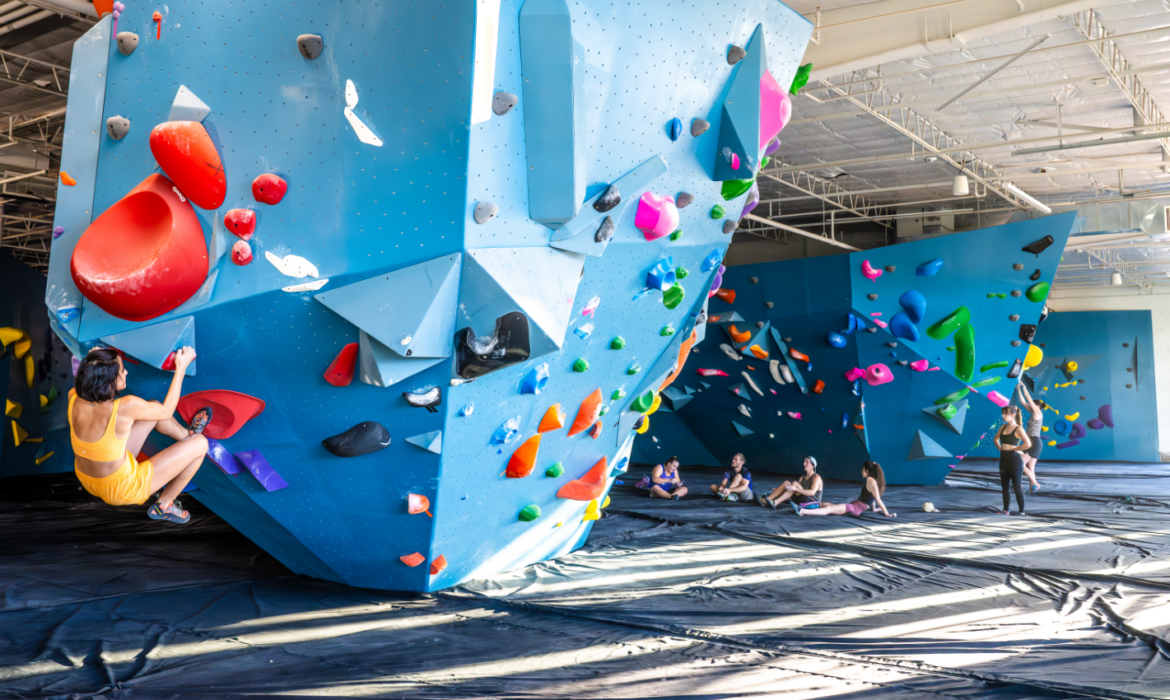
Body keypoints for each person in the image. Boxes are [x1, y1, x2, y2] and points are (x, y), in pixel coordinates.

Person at [69, 347, 211, 524]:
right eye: (122, 370)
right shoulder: (126, 406)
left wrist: (97, 359)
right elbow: (166, 412)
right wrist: (181, 367)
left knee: (152, 406)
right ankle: (165, 505)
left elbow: (93, 373)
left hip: (88, 478)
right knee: (201, 443)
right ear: (111, 381)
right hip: (123, 488)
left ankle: (186, 436)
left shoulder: (74, 395)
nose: (126, 371)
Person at [798, 461, 896, 518]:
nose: (861, 471)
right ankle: (805, 506)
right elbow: (872, 496)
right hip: (853, 506)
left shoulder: (870, 480)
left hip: (853, 509)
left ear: (867, 471)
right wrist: (874, 509)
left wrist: (887, 513)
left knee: (829, 509)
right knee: (826, 504)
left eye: (862, 469)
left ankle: (803, 511)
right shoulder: (872, 481)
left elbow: (877, 498)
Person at [993, 405, 1031, 516]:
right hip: (1004, 459)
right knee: (1005, 486)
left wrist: (1016, 449)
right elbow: (996, 439)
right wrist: (1001, 449)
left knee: (1016, 486)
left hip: (1015, 460)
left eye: (1005, 414)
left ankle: (1021, 511)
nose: (1003, 416)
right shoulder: (1003, 427)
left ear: (1013, 415)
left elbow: (1028, 443)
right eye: (1003, 413)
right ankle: (1006, 510)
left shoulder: (1018, 428)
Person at [757, 456, 822, 512]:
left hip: (812, 502)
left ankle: (775, 502)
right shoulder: (802, 478)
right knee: (787, 483)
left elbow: (812, 493)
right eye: (804, 462)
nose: (804, 464)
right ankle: (766, 500)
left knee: (794, 483)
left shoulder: (816, 477)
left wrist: (795, 488)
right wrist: (780, 490)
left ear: (813, 465)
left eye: (807, 462)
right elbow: (796, 492)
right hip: (801, 500)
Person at [1017, 384, 1045, 493]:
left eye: (1033, 404)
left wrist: (1024, 386)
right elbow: (1024, 402)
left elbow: (1028, 398)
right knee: (1031, 466)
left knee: (1020, 463)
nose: (1030, 405)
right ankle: (1031, 488)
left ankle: (1036, 484)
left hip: (1034, 442)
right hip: (1033, 441)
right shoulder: (1034, 412)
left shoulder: (1038, 413)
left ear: (1037, 406)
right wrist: (1018, 389)